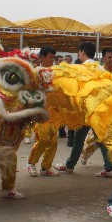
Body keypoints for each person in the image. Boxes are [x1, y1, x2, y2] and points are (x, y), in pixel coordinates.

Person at [57, 42, 112, 177]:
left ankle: (107, 168)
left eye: (79, 52)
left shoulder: (81, 68)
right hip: (98, 110)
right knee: (95, 138)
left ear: (82, 52)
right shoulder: (100, 68)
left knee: (82, 139)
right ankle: (71, 165)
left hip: (85, 111)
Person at [27, 47, 62, 176]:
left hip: (54, 112)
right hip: (41, 110)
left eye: (53, 57)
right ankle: (31, 163)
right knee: (43, 138)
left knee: (53, 140)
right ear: (42, 57)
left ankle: (46, 167)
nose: (52, 60)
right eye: (50, 57)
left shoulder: (55, 72)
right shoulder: (35, 72)